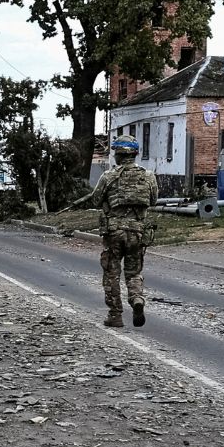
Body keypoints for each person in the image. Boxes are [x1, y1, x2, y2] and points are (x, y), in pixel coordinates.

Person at [84, 138, 158, 328]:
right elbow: (154, 200)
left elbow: (96, 200)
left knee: (112, 273)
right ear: (135, 154)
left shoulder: (108, 176)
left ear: (117, 155)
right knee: (133, 272)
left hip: (114, 232)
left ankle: (115, 315)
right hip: (137, 232)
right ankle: (136, 299)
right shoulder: (148, 176)